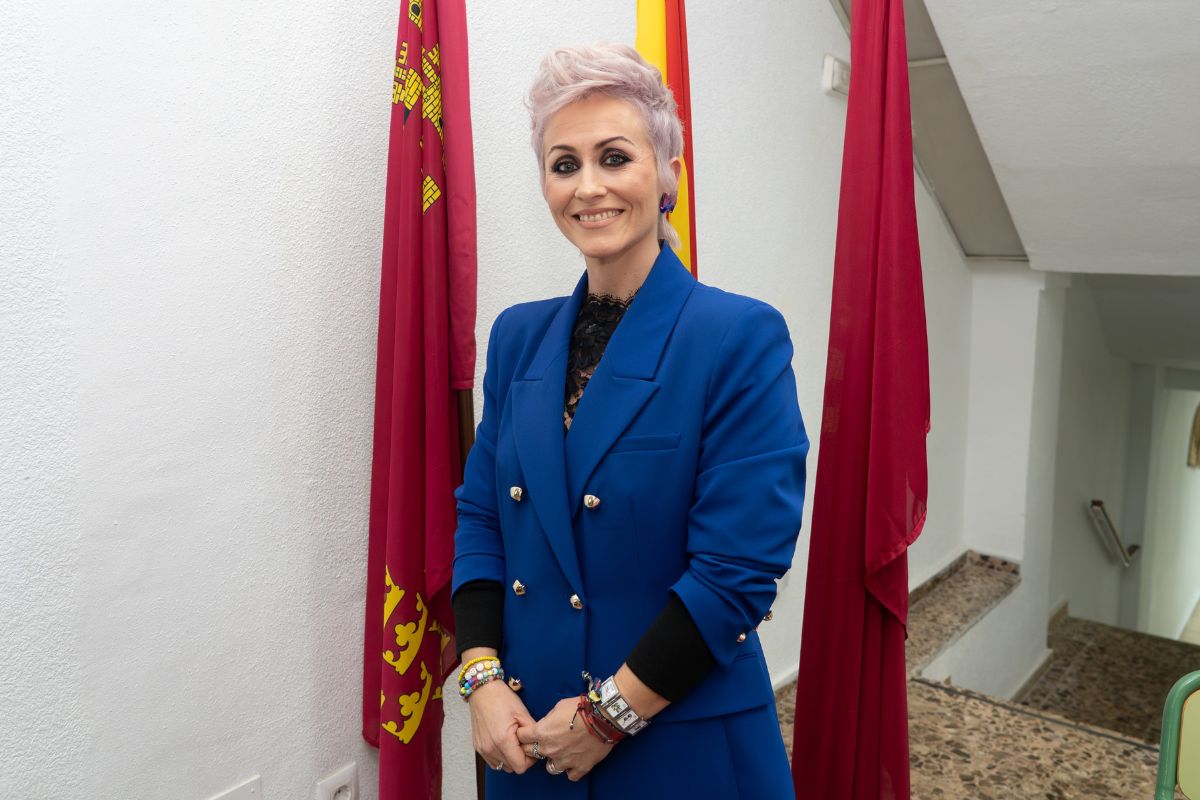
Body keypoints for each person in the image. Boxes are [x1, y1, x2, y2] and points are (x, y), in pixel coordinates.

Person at [451, 41, 809, 799]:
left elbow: (737, 571)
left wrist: (607, 718)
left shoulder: (738, 336)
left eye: (614, 157)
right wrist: (480, 676)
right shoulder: (517, 336)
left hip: (677, 741)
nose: (589, 187)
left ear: (668, 173)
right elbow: (482, 515)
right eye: (565, 164)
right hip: (531, 737)